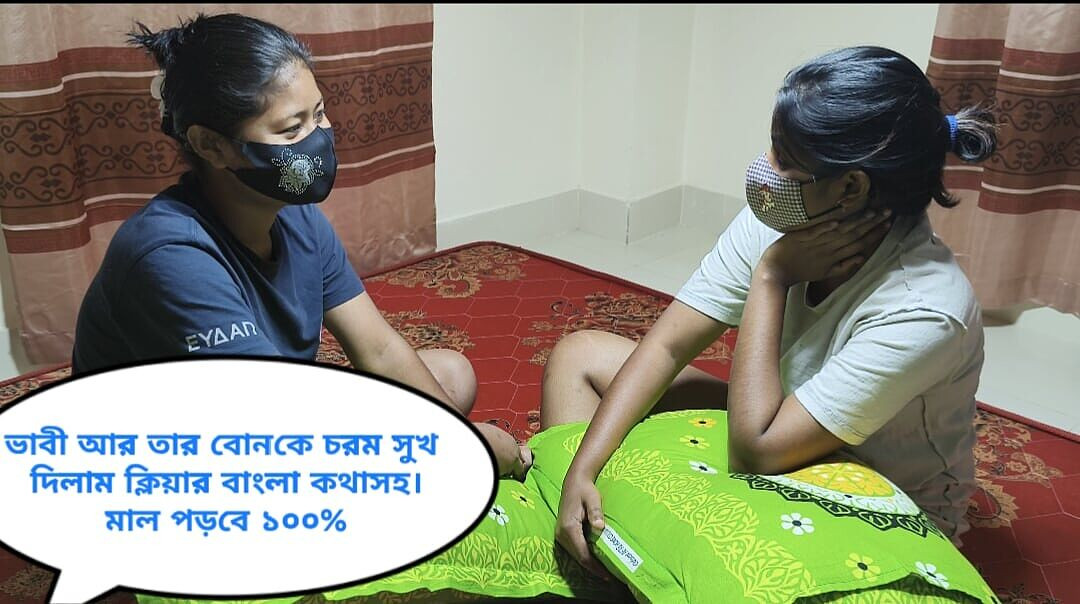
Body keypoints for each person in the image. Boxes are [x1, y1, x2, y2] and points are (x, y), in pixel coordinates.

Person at [542, 46, 995, 577]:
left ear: (851, 187)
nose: (765, 171)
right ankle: (584, 540)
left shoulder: (927, 308)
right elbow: (667, 345)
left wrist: (771, 277)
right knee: (580, 357)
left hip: (873, 489)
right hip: (777, 419)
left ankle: (625, 558)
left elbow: (756, 451)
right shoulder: (788, 212)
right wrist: (582, 468)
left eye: (785, 160)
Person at [71, 13, 531, 478]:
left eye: (319, 114)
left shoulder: (294, 215)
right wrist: (462, 450)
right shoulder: (170, 256)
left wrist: (451, 436)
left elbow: (378, 349)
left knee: (450, 375)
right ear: (211, 145)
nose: (317, 140)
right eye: (292, 130)